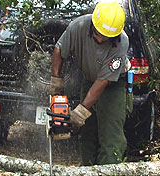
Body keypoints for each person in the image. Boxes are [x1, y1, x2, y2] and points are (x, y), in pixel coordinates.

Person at [50, 0, 132, 165]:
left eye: (106, 37)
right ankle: (87, 168)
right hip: (89, 79)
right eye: (98, 34)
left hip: (113, 84)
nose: (100, 40)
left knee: (111, 137)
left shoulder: (122, 42)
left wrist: (80, 112)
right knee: (86, 132)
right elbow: (59, 50)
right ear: (93, 24)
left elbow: (102, 82)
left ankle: (108, 170)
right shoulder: (78, 26)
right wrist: (56, 82)